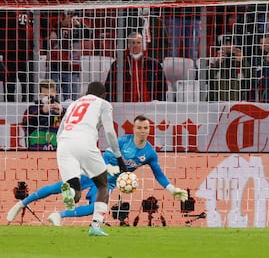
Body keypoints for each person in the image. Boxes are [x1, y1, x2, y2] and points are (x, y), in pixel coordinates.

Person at [7, 115, 188, 225]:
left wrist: (173, 190)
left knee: (96, 208)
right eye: (139, 127)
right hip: (96, 172)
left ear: (149, 129)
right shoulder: (123, 141)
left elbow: (159, 175)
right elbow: (106, 156)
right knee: (61, 186)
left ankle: (58, 215)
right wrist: (115, 169)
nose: (143, 130)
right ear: (134, 129)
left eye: (146, 128)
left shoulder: (149, 153)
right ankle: (22, 204)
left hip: (108, 184)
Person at [56, 81, 125, 236]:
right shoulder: (104, 104)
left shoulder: (74, 104)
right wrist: (118, 157)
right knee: (102, 184)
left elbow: (60, 130)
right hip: (85, 142)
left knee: (76, 193)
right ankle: (95, 226)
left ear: (86, 92)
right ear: (104, 94)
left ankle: (70, 193)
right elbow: (109, 132)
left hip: (64, 145)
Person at [105, 31, 167, 102]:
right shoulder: (118, 64)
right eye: (133, 42)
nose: (135, 45)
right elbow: (109, 87)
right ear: (128, 45)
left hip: (149, 104)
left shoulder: (154, 64)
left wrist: (158, 102)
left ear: (142, 44)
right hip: (126, 105)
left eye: (138, 42)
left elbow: (162, 86)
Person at [21, 79, 65, 150]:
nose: (48, 98)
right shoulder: (32, 109)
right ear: (40, 95)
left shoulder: (61, 110)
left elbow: (71, 127)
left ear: (55, 93)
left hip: (56, 150)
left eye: (50, 96)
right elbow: (26, 126)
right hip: (36, 149)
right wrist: (42, 112)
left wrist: (62, 113)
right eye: (45, 95)